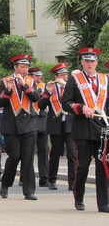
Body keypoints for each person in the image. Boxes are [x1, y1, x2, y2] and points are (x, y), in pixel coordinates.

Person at [62, 48, 109, 212]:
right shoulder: (75, 79)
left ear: (97, 62)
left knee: (103, 165)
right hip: (82, 128)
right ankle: (79, 196)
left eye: (92, 61)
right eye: (86, 61)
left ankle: (103, 203)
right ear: (82, 62)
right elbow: (65, 103)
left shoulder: (104, 80)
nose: (89, 64)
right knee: (83, 165)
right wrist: (81, 107)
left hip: (101, 128)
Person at [0, 54, 40, 201]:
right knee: (14, 157)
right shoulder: (5, 81)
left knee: (28, 159)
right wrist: (8, 90)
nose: (24, 69)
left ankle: (29, 191)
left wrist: (24, 85)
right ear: (15, 67)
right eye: (22, 66)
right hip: (11, 126)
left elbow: (35, 98)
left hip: (29, 125)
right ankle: (5, 183)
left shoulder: (31, 82)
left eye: (26, 67)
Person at [38, 63, 75, 191]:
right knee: (55, 154)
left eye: (66, 74)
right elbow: (41, 105)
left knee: (72, 154)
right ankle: (52, 179)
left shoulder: (70, 87)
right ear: (56, 76)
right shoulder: (51, 88)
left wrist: (66, 84)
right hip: (56, 125)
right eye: (61, 75)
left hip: (69, 125)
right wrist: (47, 92)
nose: (64, 77)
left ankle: (72, 182)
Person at [28, 66, 50, 187]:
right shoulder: (26, 86)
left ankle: (44, 178)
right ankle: (25, 176)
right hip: (30, 118)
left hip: (41, 118)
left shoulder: (44, 86)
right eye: (36, 76)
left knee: (43, 150)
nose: (39, 78)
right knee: (29, 151)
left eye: (39, 75)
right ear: (31, 76)